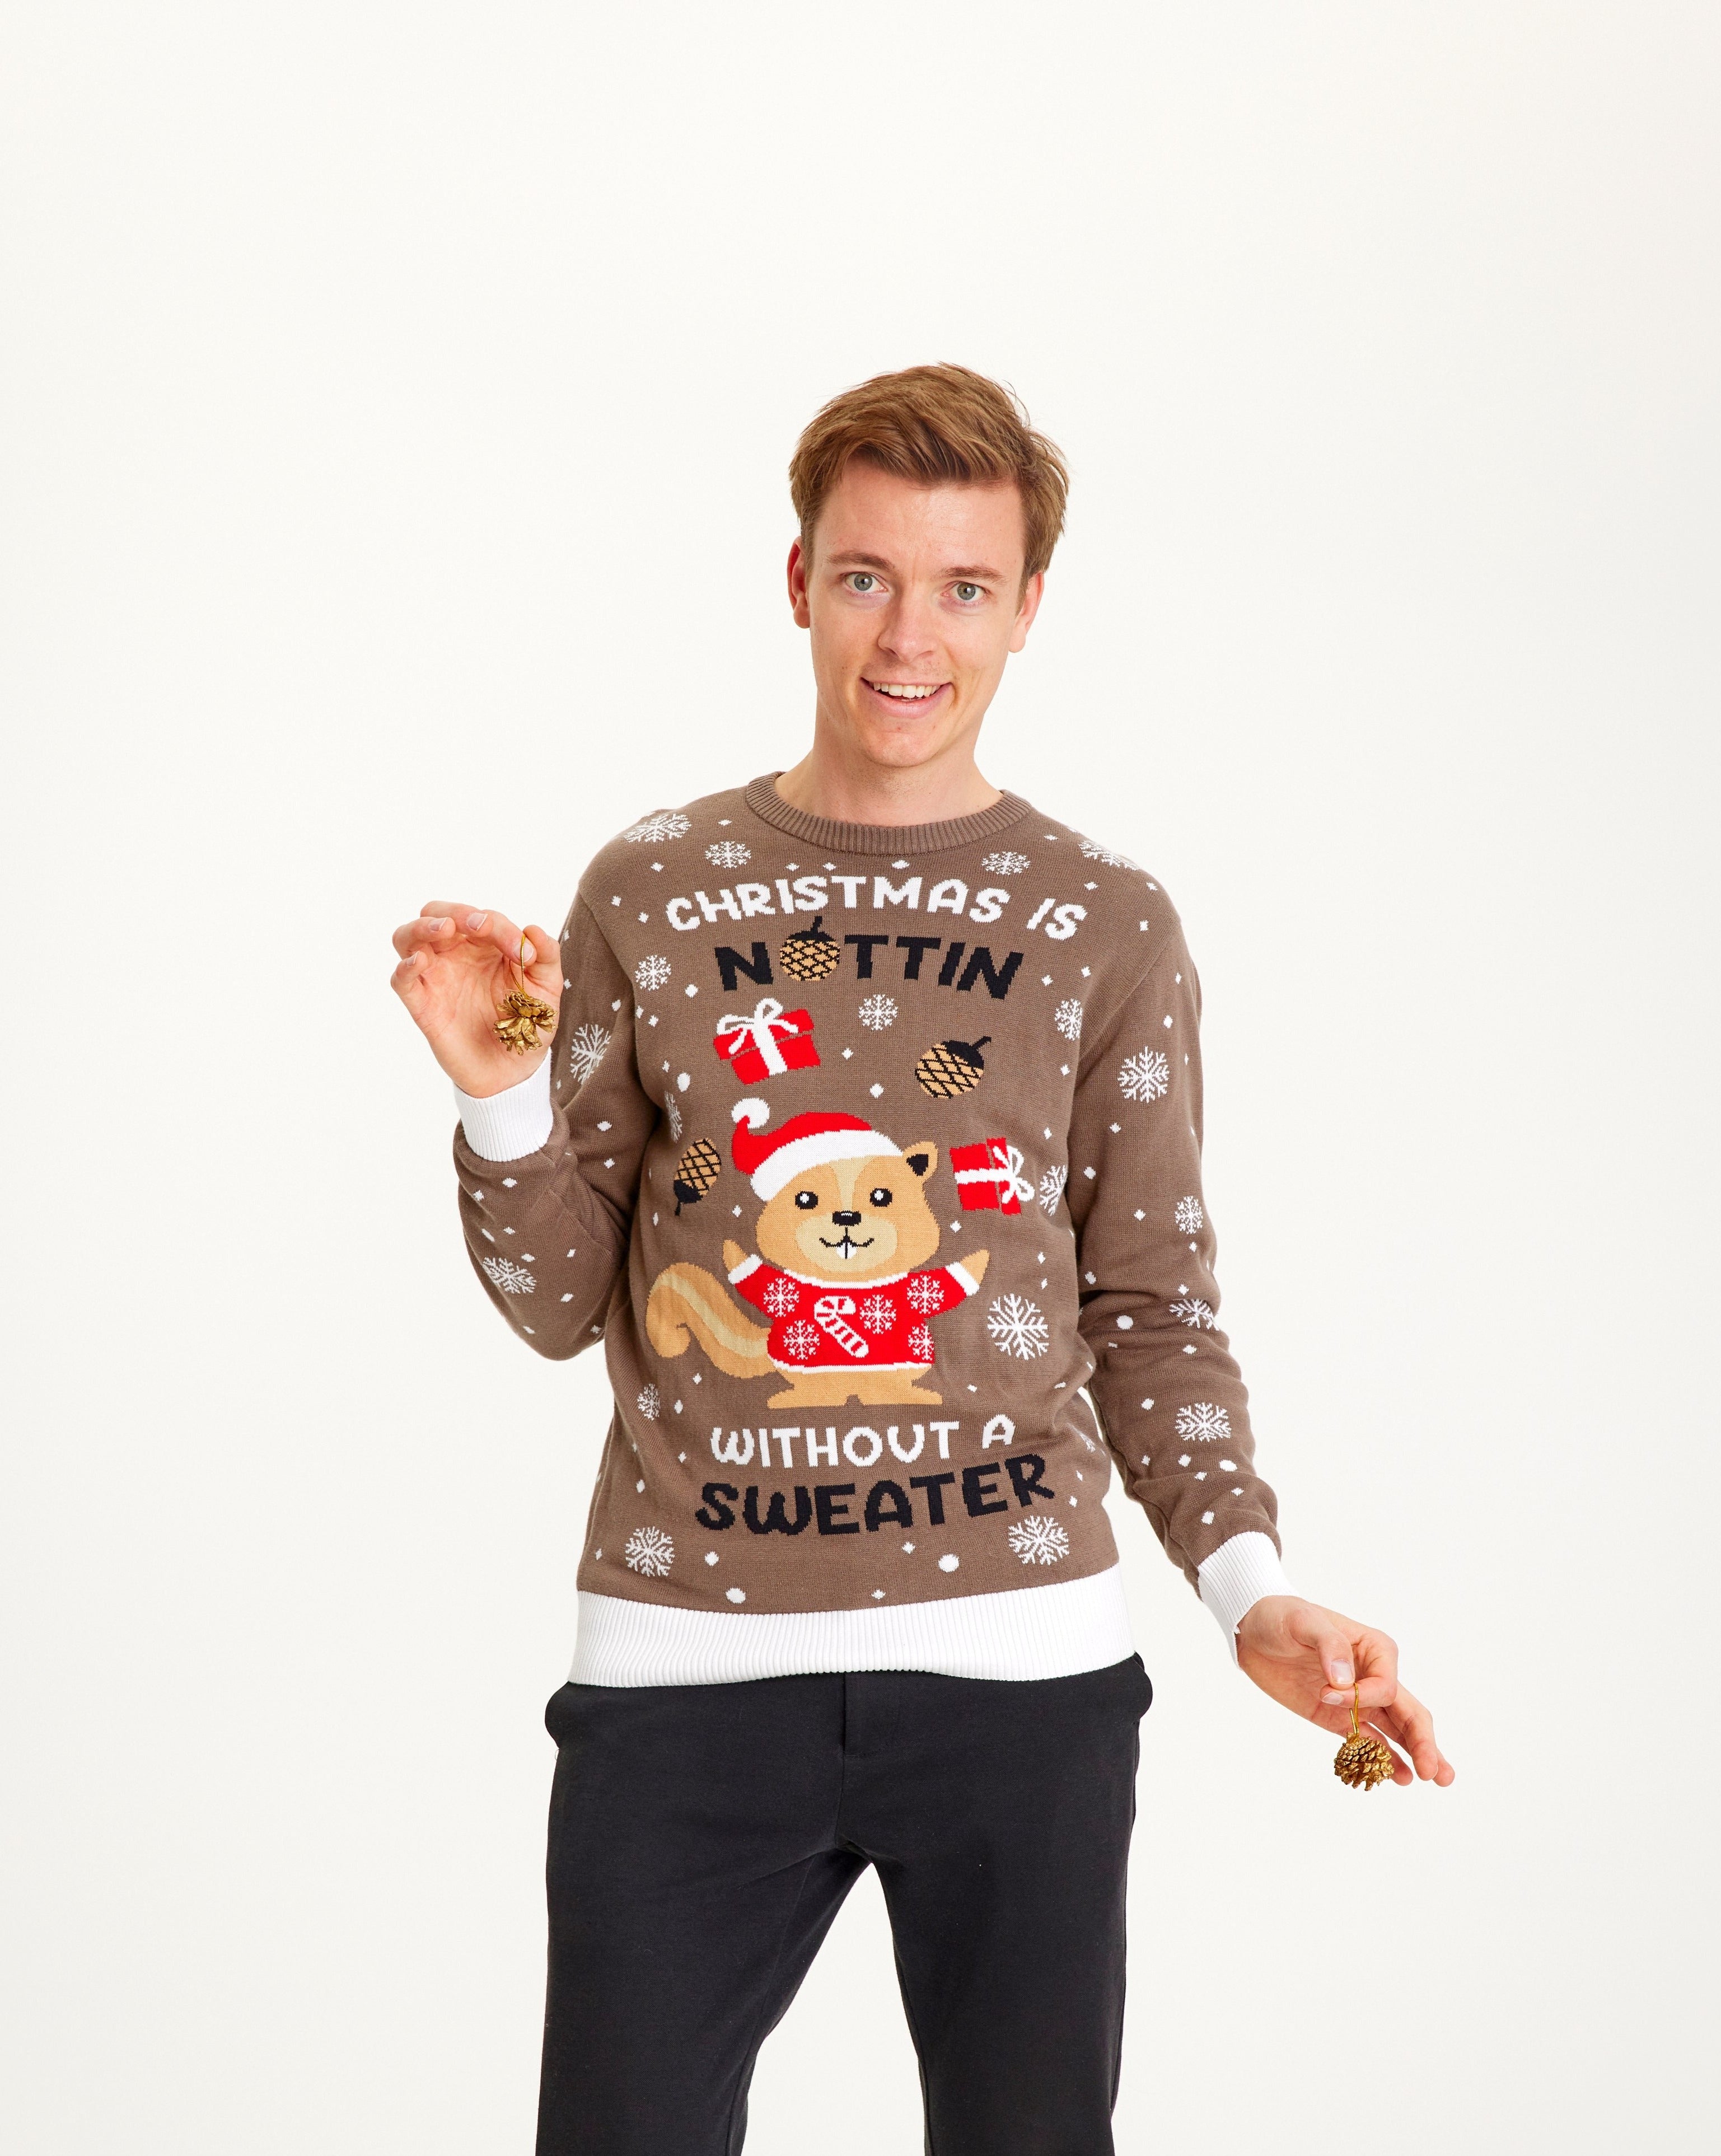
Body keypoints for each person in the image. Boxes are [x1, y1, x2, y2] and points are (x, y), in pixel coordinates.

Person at [391, 364, 1454, 2155]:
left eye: (962, 586)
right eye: (868, 576)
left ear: (1027, 606)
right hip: (683, 1667)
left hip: (1019, 1673)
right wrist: (499, 1098)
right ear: (797, 582)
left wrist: (1247, 1588)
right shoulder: (651, 888)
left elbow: (1149, 1302)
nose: (909, 635)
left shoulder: (1104, 921)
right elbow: (562, 1303)